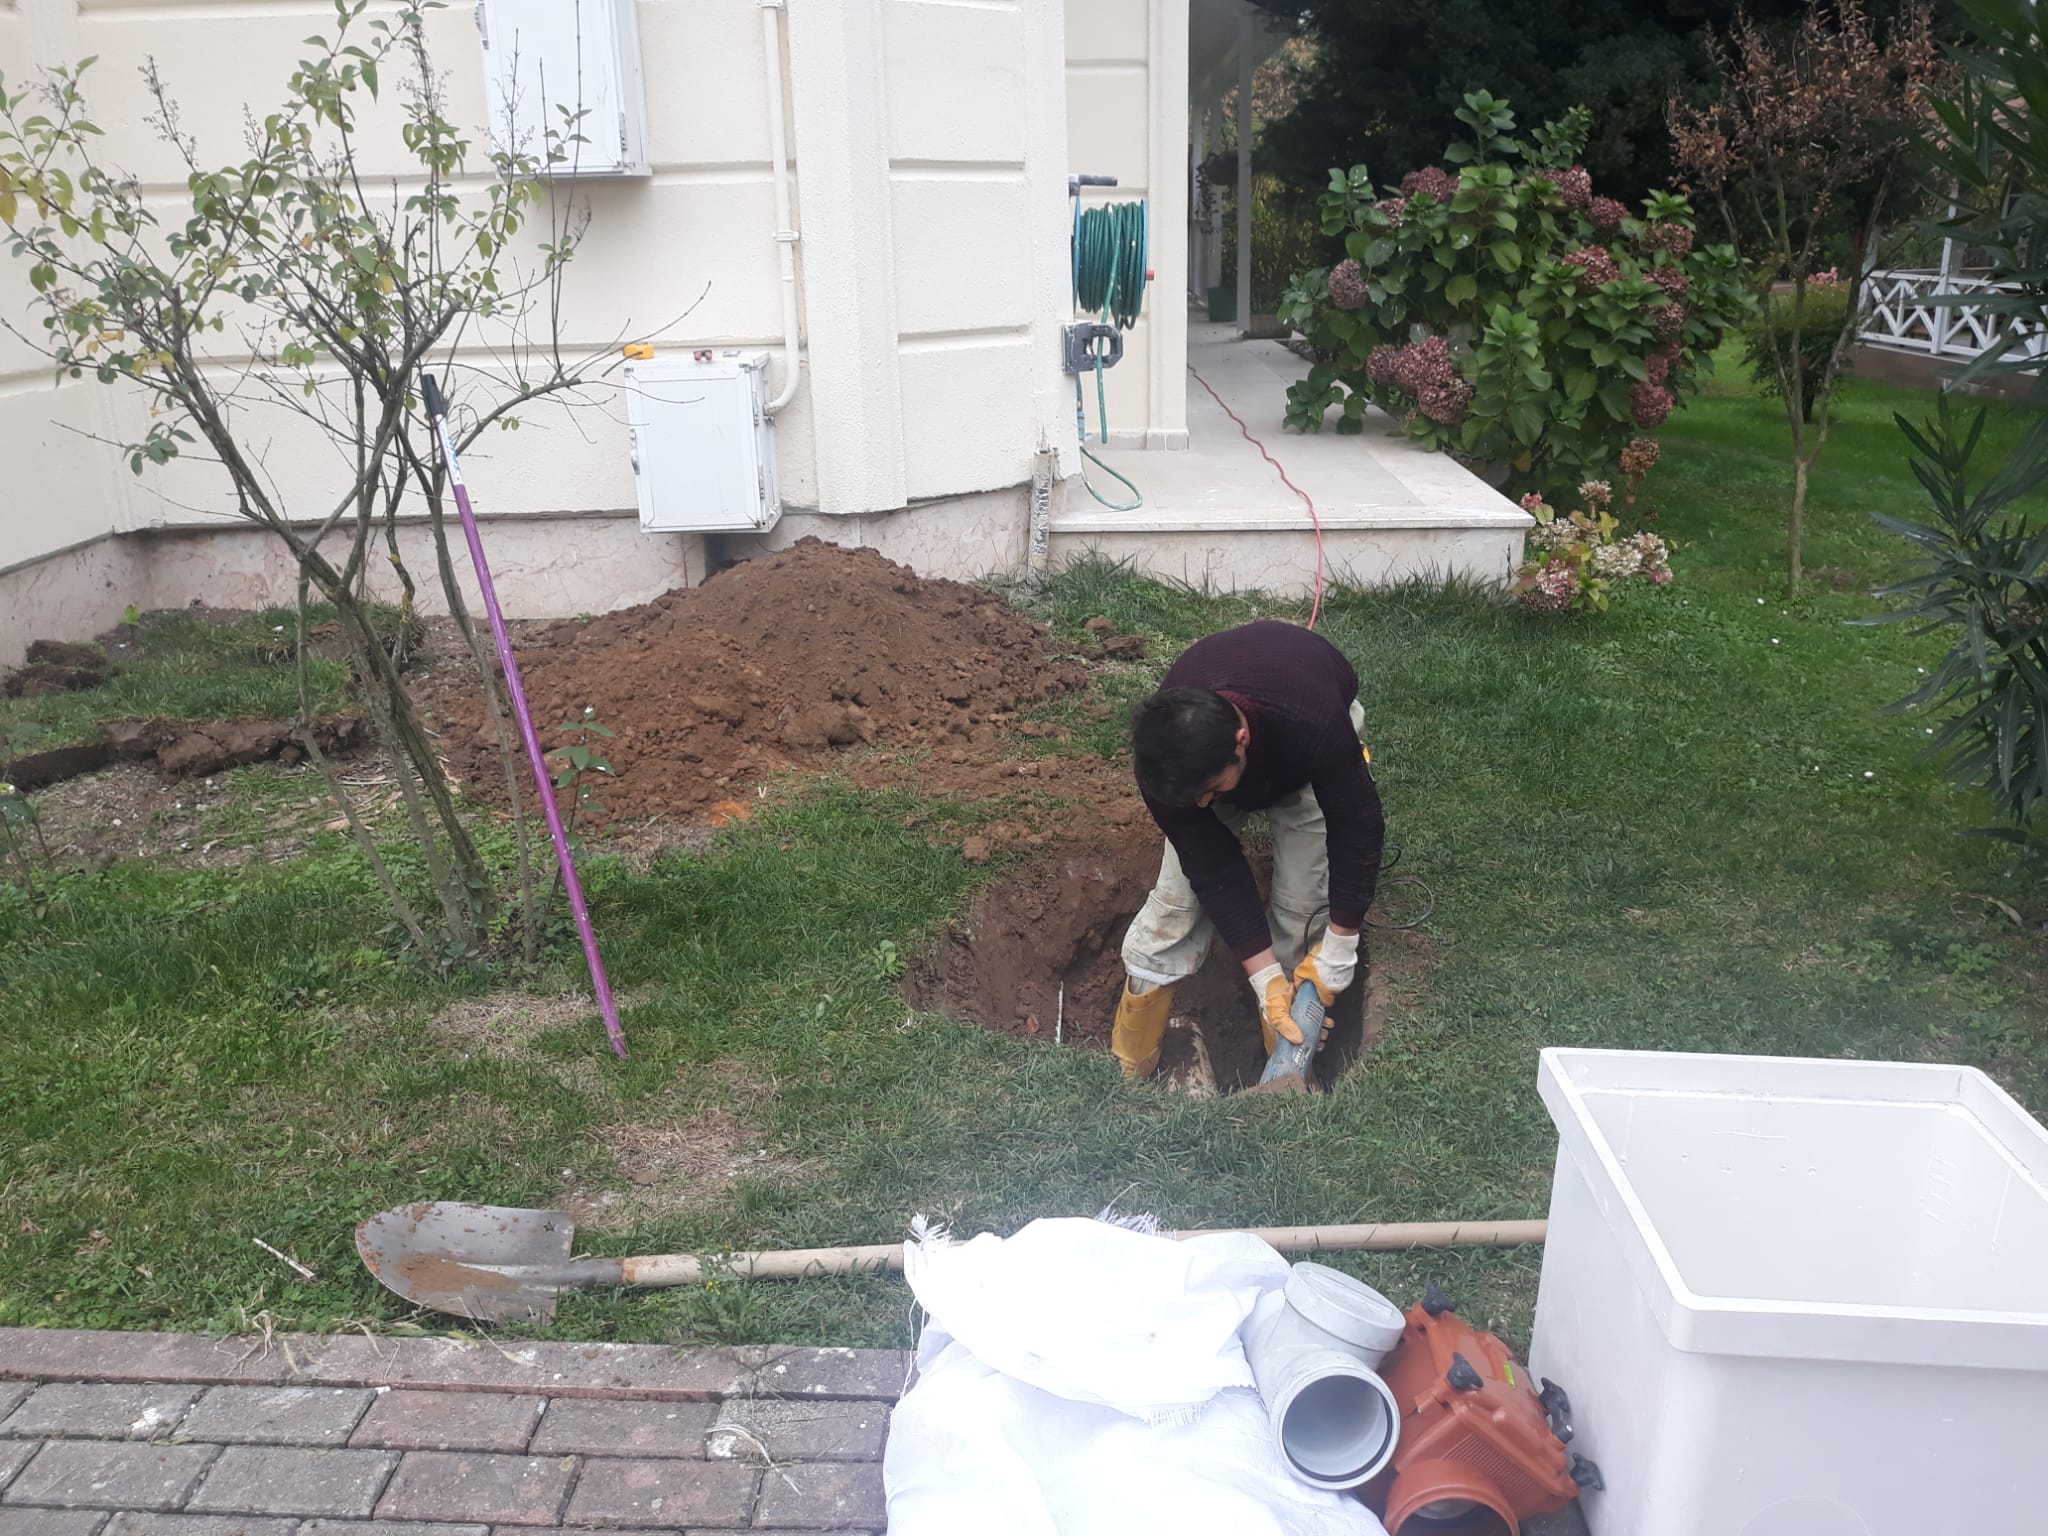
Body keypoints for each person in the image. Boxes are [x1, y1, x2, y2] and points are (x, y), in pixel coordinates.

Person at [1111, 620, 1384, 1079]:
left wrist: (1340, 946)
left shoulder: (1315, 722)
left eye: (1211, 791)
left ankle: (1285, 1079)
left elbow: (1356, 825)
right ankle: (1130, 1068)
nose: (1201, 806)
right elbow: (1212, 866)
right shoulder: (1167, 766)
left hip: (1302, 746)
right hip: (1231, 749)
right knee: (1174, 907)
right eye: (1191, 797)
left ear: (1241, 743)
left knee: (1302, 912)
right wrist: (1265, 979)